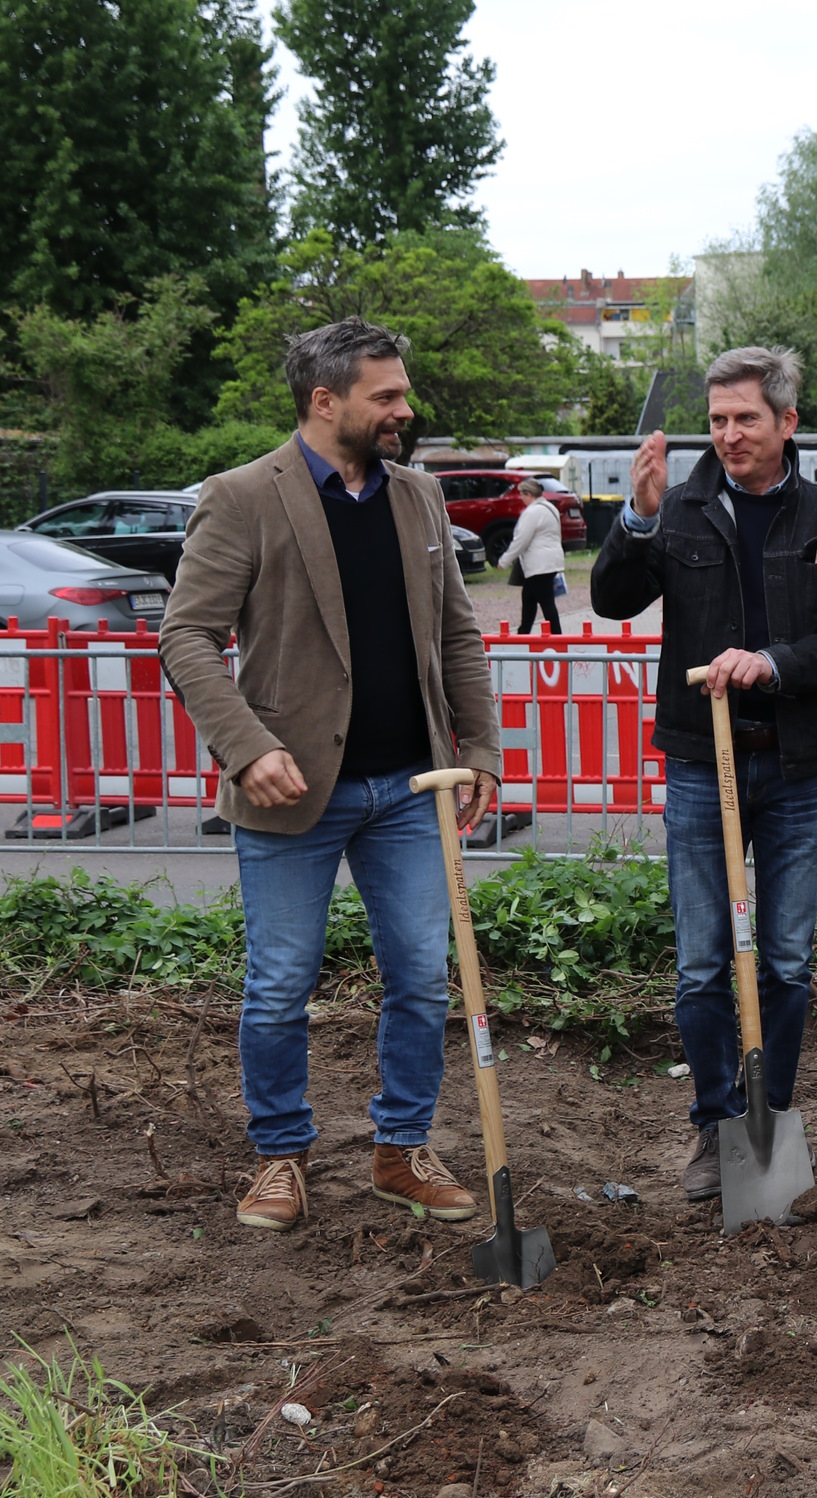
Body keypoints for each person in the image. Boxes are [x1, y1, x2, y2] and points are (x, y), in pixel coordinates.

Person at [158, 317, 502, 1233]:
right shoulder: (241, 497)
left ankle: (401, 1149)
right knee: (279, 984)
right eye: (385, 395)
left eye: (401, 392)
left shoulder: (419, 497)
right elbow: (186, 636)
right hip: (292, 790)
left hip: (410, 790)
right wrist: (245, 744)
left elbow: (457, 632)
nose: (404, 408)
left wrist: (480, 751)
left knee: (422, 979)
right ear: (325, 401)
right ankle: (280, 1158)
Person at [590, 347, 817, 1202]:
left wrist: (774, 662)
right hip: (698, 764)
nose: (728, 435)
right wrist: (635, 521)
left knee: (787, 960)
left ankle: (773, 1119)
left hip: (796, 766)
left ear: (787, 422)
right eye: (717, 421)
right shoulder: (677, 508)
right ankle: (715, 1125)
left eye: (745, 419)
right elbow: (611, 600)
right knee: (700, 964)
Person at [499, 476, 565, 633]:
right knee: (529, 597)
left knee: (546, 602)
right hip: (551, 560)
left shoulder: (532, 512)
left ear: (529, 494)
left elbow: (521, 540)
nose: (521, 498)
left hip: (538, 564)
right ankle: (524, 633)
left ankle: (556, 636)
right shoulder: (550, 508)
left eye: (522, 494)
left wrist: (504, 560)